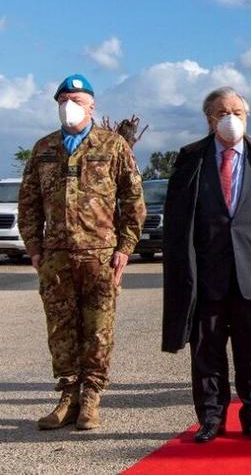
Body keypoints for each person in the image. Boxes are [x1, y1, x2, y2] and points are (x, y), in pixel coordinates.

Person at [161, 87, 251, 443]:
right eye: (223, 113)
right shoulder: (191, 158)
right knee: (206, 350)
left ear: (247, 117)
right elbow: (177, 220)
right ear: (209, 120)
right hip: (206, 275)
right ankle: (211, 417)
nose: (231, 119)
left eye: (238, 112)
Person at [18, 74, 146, 431]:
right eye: (63, 100)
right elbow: (28, 203)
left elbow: (133, 201)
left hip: (99, 255)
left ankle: (91, 397)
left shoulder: (113, 146)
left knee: (98, 328)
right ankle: (68, 396)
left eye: (76, 100)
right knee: (60, 329)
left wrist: (125, 248)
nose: (68, 106)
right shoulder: (43, 148)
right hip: (56, 256)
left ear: (92, 106)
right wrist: (34, 248)